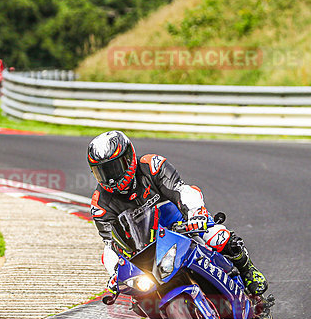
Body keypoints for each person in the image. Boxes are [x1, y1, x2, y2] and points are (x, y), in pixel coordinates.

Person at [87, 130, 268, 306]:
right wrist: (114, 273)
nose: (110, 179)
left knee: (216, 236)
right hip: (144, 246)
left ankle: (248, 271)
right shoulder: (100, 203)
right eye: (102, 172)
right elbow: (110, 244)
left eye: (113, 168)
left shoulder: (151, 166)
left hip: (177, 221)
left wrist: (195, 213)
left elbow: (182, 190)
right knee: (138, 298)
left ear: (128, 157)